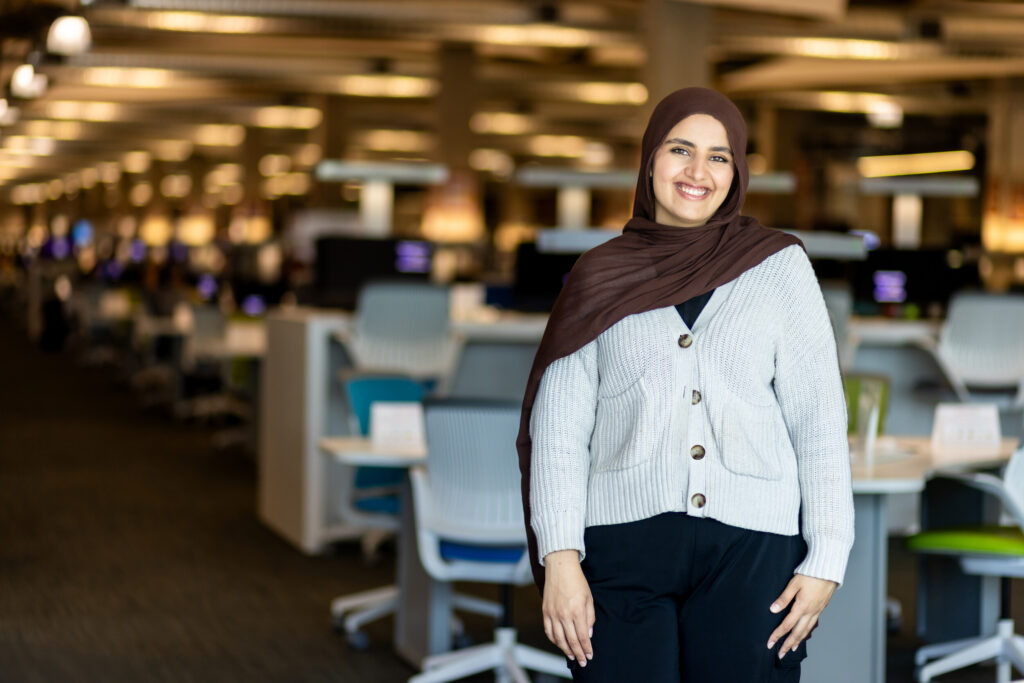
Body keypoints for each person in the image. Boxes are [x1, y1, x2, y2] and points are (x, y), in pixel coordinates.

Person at [516, 87, 854, 682]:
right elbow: (559, 434)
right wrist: (560, 558)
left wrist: (828, 556)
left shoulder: (778, 268)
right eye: (680, 149)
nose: (698, 171)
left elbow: (819, 419)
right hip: (619, 549)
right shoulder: (600, 274)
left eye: (719, 156)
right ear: (650, 160)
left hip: (752, 551)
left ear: (738, 170)